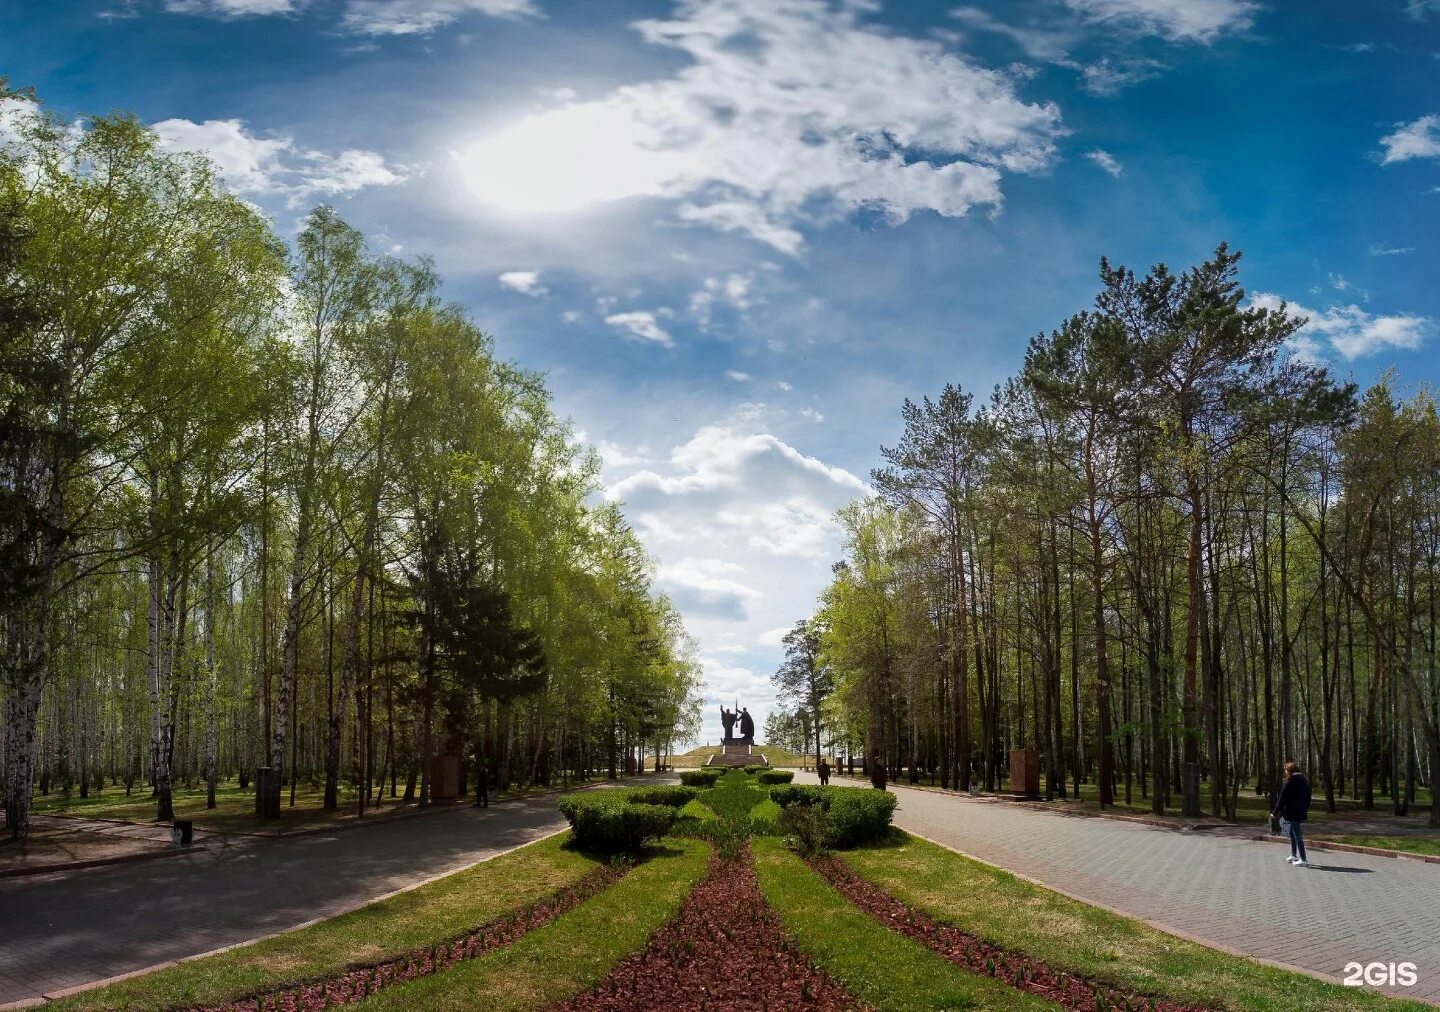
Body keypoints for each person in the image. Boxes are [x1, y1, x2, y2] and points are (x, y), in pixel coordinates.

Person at [1273, 761, 1311, 867]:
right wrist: (1306, 806)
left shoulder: (1289, 782)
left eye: (1286, 770)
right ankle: (1294, 855)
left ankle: (1303, 859)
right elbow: (1308, 795)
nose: (1285, 772)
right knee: (1292, 833)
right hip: (1300, 810)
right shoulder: (1303, 780)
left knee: (1297, 835)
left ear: (1289, 771)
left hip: (1292, 812)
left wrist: (1275, 812)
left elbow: (1281, 798)